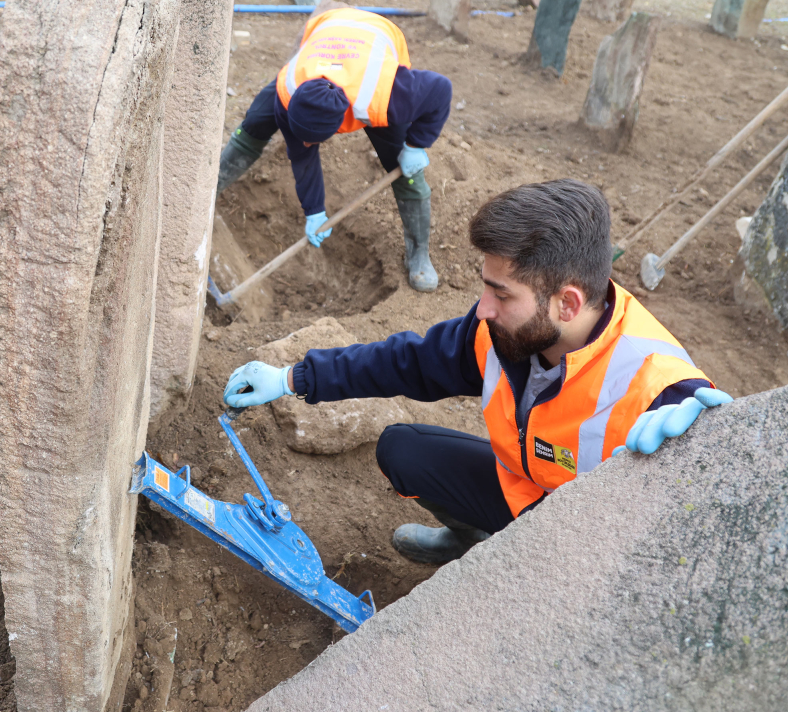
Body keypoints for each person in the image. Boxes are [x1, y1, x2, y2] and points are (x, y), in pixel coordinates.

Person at [222, 180, 732, 564]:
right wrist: (294, 378)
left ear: (567, 303)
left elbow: (710, 512)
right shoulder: (503, 330)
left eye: (502, 293)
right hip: (522, 496)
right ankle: (472, 541)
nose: (483, 307)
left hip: (582, 553)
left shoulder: (656, 387)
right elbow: (410, 361)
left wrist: (717, 448)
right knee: (403, 451)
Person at [217, 8, 452, 293]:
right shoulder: (289, 92)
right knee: (256, 121)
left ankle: (418, 253)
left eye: (312, 140)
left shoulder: (386, 95)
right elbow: (301, 154)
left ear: (341, 125)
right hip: (328, 27)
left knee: (404, 169)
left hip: (376, 36)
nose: (305, 145)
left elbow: (441, 89)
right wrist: (314, 210)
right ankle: (211, 187)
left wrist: (416, 144)